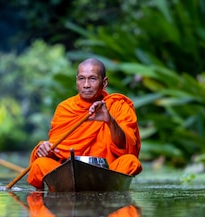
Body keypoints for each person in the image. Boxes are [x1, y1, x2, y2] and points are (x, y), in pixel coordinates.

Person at [27, 58, 142, 189]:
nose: (86, 84)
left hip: (106, 173)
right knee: (40, 164)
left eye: (92, 79)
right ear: (76, 81)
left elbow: (126, 147)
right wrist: (44, 149)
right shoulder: (65, 108)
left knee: (130, 162)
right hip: (69, 176)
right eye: (81, 79)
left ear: (104, 83)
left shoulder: (118, 106)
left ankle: (105, 188)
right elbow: (57, 150)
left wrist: (109, 120)